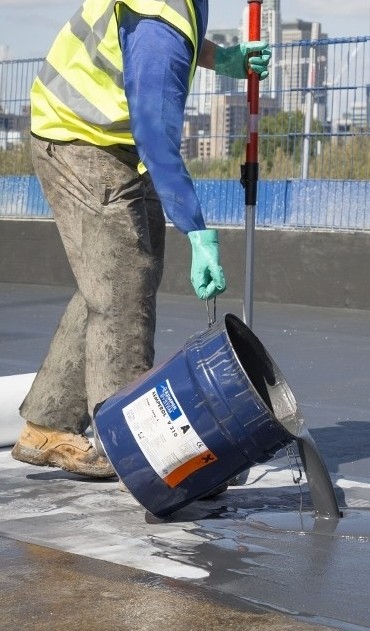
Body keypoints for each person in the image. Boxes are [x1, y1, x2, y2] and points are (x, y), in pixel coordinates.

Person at [11, 0, 271, 478]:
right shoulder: (159, 22)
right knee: (124, 285)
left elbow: (154, 47)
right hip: (77, 139)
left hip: (102, 135)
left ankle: (46, 425)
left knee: (114, 276)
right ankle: (130, 448)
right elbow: (157, 136)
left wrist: (221, 59)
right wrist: (197, 231)